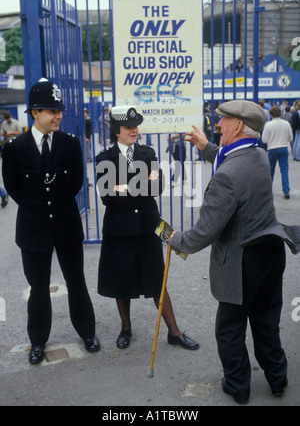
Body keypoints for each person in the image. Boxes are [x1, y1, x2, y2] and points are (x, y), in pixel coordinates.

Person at [169, 100, 300, 404]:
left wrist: (176, 239)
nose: (217, 126)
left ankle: (238, 387)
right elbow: (231, 159)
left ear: (238, 126)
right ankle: (277, 379)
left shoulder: (228, 176)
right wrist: (206, 147)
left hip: (242, 264)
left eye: (223, 121)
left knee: (229, 329)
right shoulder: (259, 156)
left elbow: (204, 232)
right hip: (270, 254)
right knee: (266, 323)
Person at [2, 78, 100, 364]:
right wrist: (38, 210)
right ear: (34, 113)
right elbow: (13, 188)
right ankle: (38, 341)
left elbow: (76, 182)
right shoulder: (14, 148)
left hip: (66, 225)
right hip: (33, 229)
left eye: (59, 110)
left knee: (76, 281)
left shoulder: (69, 145)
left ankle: (88, 332)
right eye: (50, 110)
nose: (58, 115)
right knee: (38, 287)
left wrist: (55, 208)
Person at [96, 105, 199, 351]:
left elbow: (158, 187)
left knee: (157, 282)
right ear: (116, 130)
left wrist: (125, 186)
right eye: (128, 127)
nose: (134, 130)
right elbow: (108, 197)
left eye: (136, 126)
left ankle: (174, 332)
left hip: (146, 227)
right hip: (119, 231)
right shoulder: (104, 159)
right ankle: (126, 328)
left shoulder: (147, 153)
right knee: (121, 282)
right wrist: (139, 185)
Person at [262, 105, 293, 199]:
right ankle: (286, 191)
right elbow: (290, 138)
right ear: (280, 113)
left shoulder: (268, 125)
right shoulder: (286, 124)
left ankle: (268, 191)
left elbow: (264, 140)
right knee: (284, 170)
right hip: (283, 148)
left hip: (272, 149)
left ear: (271, 115)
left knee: (270, 170)